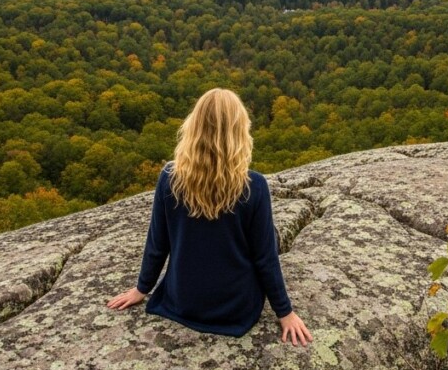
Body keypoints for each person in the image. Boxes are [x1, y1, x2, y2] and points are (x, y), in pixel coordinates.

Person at [106, 88, 312, 346]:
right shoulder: (254, 186)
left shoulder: (170, 179)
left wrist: (142, 289)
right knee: (269, 235)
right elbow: (265, 258)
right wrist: (285, 312)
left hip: (183, 301)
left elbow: (158, 243)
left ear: (193, 127)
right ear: (239, 132)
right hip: (234, 310)